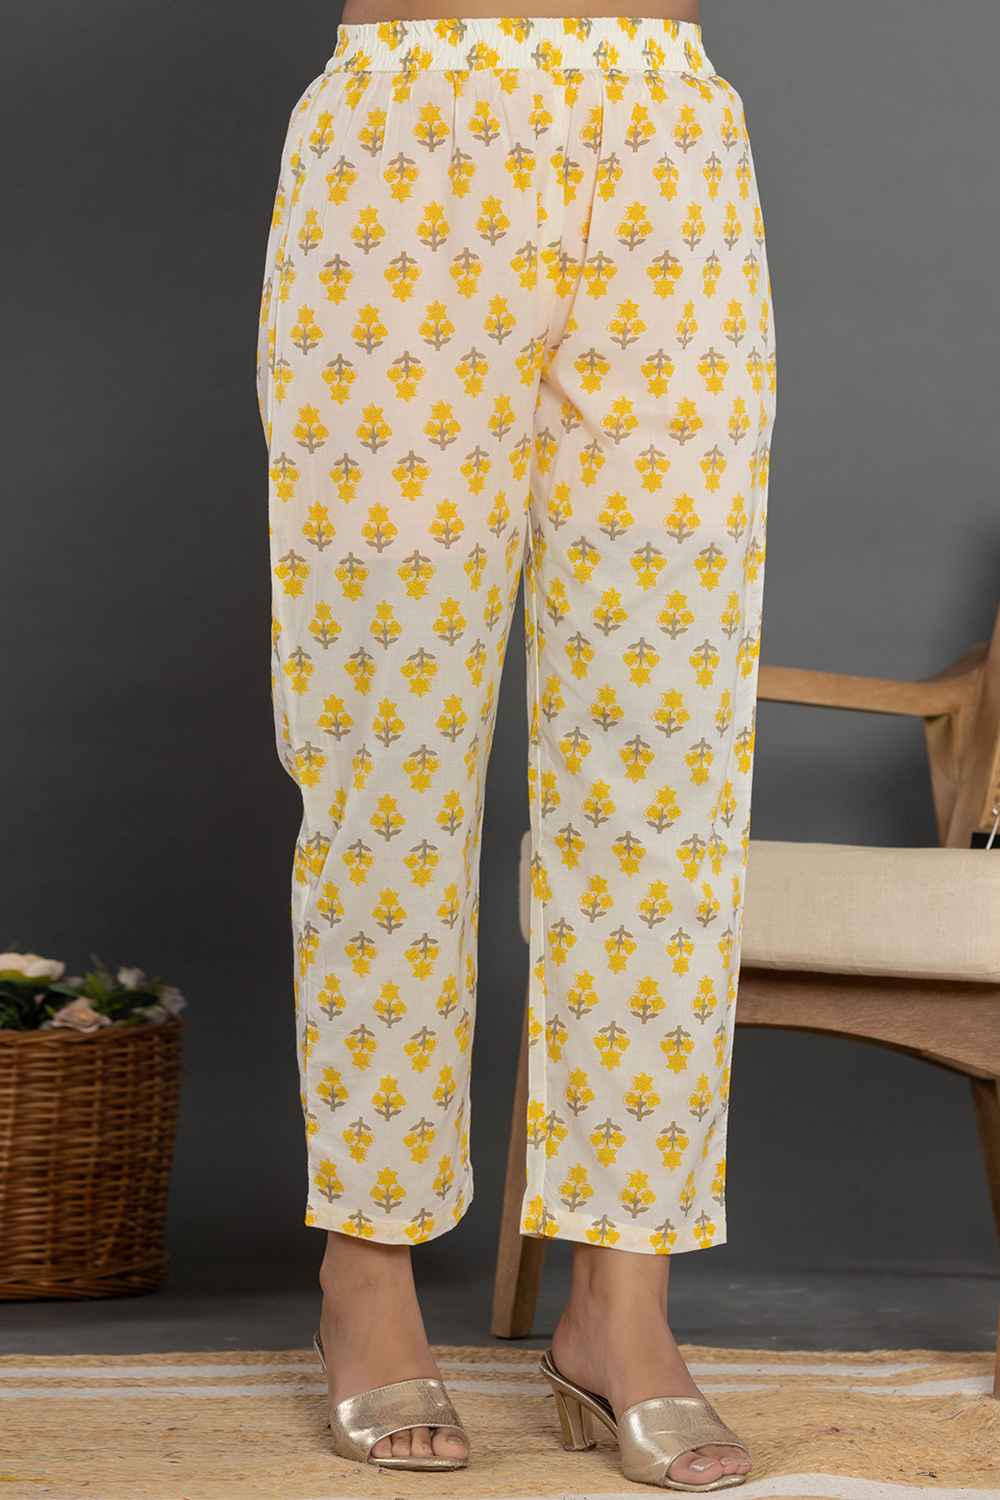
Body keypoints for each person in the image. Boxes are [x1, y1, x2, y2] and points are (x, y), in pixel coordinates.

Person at [256, 0, 775, 1487]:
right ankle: (366, 1271)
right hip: (406, 129)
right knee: (383, 753)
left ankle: (624, 1305)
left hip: (666, 134)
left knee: (667, 757)